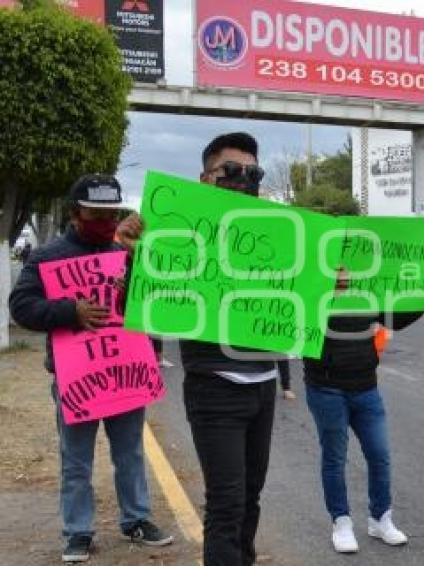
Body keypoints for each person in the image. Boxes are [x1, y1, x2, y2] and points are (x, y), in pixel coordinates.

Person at [118, 132, 276, 566]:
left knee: (250, 498)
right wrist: (133, 256)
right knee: (226, 504)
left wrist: (330, 283)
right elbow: (141, 305)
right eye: (232, 172)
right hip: (215, 388)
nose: (244, 179)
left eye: (253, 172)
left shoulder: (276, 231)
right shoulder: (175, 232)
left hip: (263, 384)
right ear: (204, 179)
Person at [9, 174, 173, 563]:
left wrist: (136, 261)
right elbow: (21, 306)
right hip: (76, 378)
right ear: (75, 213)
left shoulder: (132, 251)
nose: (104, 221)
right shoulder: (49, 256)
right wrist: (70, 311)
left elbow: (159, 299)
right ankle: (78, 532)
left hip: (125, 373)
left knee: (130, 452)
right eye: (95, 214)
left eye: (111, 213)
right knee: (76, 460)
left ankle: (136, 520)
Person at [303, 269, 423, 554]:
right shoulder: (312, 290)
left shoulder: (367, 290)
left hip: (366, 388)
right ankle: (341, 523)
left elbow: (395, 319)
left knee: (379, 455)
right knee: (335, 458)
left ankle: (381, 518)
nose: (345, 271)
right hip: (326, 389)